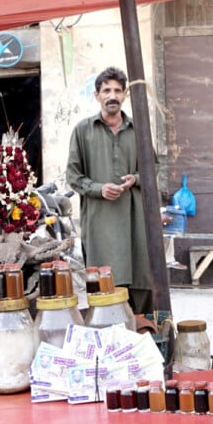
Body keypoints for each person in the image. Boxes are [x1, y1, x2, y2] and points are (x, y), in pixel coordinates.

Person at [66, 67, 153, 314]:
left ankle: (143, 334)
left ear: (124, 95)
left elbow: (154, 170)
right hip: (99, 220)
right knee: (103, 282)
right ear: (97, 95)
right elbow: (73, 176)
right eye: (106, 90)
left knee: (141, 279)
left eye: (117, 90)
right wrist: (99, 188)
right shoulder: (83, 131)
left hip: (134, 218)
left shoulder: (140, 130)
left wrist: (134, 179)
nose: (112, 95)